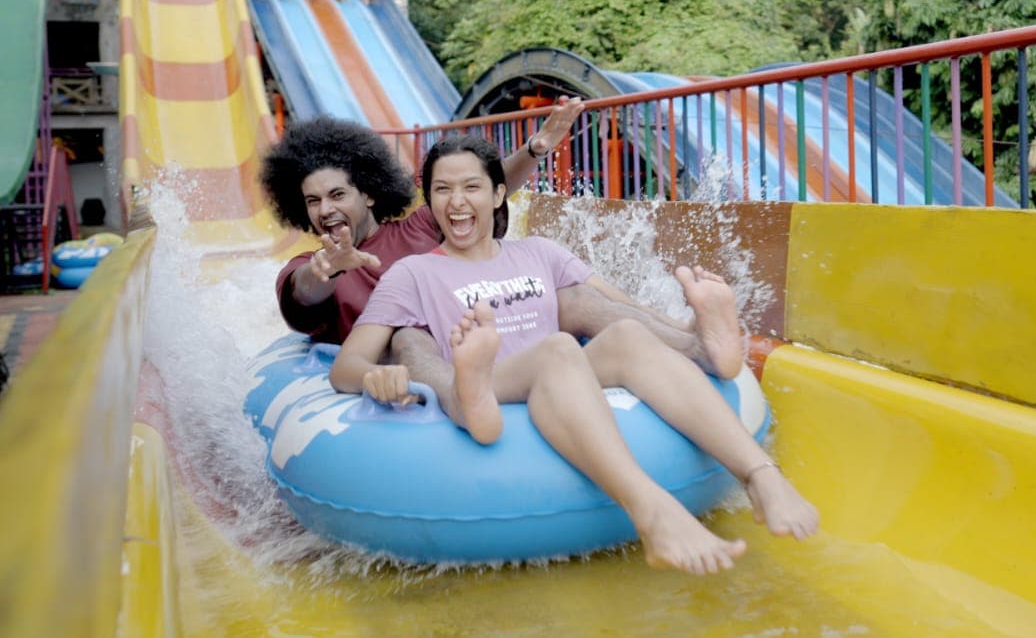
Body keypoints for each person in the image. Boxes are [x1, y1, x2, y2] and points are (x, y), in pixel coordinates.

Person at [330, 135, 818, 574]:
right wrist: (382, 377)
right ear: (429, 199)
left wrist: (685, 328)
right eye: (442, 190)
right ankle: (652, 512)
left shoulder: (539, 252)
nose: (457, 202)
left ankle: (760, 475)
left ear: (498, 194)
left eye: (472, 187)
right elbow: (347, 366)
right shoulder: (412, 273)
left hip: (562, 380)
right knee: (546, 348)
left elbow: (618, 306)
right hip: (495, 379)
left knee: (624, 332)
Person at [260, 106, 746, 384]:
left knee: (572, 294)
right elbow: (303, 293)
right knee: (409, 336)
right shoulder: (310, 265)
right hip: (428, 364)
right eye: (313, 201)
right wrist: (326, 269)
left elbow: (479, 191)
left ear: (367, 191)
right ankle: (465, 399)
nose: (325, 209)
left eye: (337, 195)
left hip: (489, 335)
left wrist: (534, 150)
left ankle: (697, 345)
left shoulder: (419, 228)